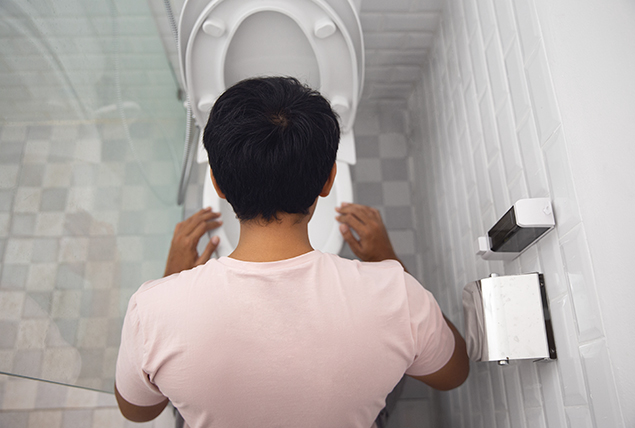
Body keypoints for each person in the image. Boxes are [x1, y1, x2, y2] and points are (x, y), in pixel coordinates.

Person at [114, 77, 469, 427]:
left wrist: (171, 282)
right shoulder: (397, 296)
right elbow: (453, 374)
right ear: (328, 180)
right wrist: (387, 265)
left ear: (218, 184)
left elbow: (138, 411)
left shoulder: (152, 311)